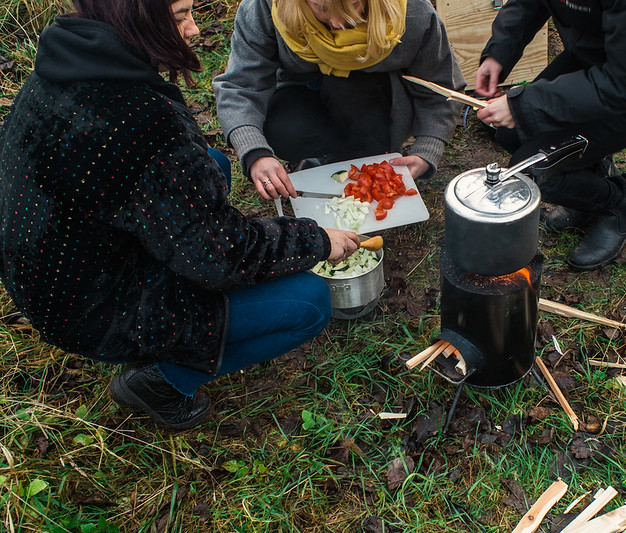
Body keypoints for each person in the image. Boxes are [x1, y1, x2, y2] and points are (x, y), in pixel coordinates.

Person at [0, 0, 361, 431]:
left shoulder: (69, 60)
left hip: (48, 271)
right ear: (133, 17)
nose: (194, 30)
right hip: (92, 309)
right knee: (309, 302)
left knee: (212, 163)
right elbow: (223, 257)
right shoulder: (138, 120)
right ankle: (160, 380)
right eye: (178, 17)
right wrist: (316, 240)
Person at [474, 0, 626, 270]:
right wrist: (498, 53)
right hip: (593, 59)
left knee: (539, 168)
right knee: (511, 133)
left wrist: (523, 106)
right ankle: (587, 190)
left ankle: (617, 208)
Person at [212, 0, 465, 202]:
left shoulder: (412, 12)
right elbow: (240, 85)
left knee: (349, 91)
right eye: (321, 9)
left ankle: (360, 159)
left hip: (374, 97)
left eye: (353, 6)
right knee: (287, 128)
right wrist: (255, 152)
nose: (338, 23)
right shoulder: (266, 6)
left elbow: (440, 88)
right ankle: (319, 158)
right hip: (301, 88)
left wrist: (427, 149)